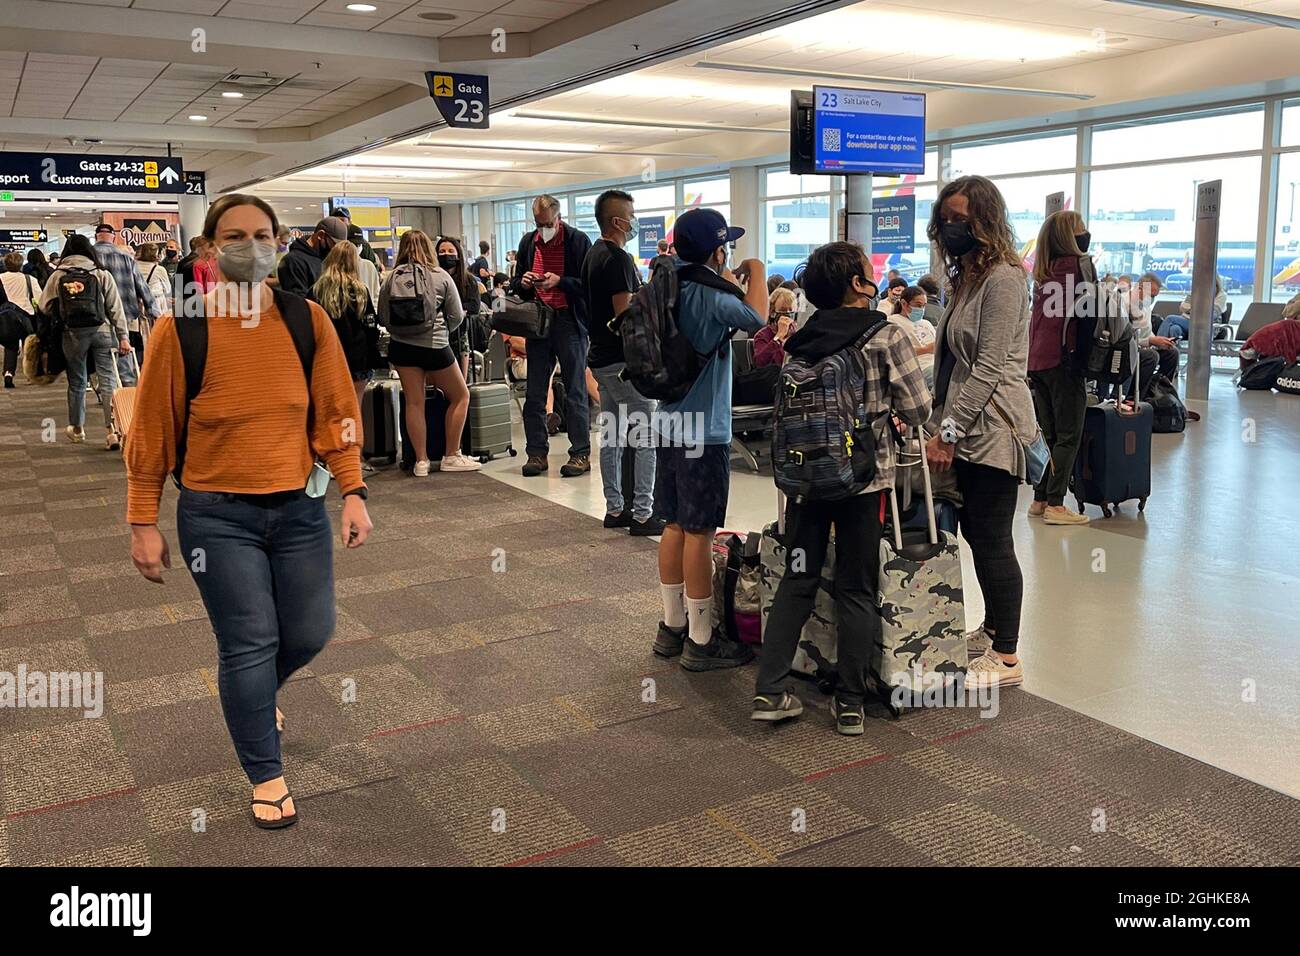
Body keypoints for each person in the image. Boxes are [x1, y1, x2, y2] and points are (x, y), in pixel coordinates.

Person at [126, 193, 372, 830]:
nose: (251, 246)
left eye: (262, 234)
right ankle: (267, 775)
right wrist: (142, 520)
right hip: (216, 516)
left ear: (279, 241)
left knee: (311, 631)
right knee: (249, 642)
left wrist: (352, 490)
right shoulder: (180, 328)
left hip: (298, 509)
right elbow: (152, 430)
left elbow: (336, 411)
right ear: (208, 249)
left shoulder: (304, 319)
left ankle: (254, 694)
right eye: (234, 236)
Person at [752, 242, 930, 732]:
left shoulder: (802, 338)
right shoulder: (884, 334)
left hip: (805, 480)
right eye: (865, 271)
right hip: (862, 481)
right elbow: (918, 412)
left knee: (798, 579)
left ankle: (770, 690)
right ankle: (850, 701)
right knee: (856, 586)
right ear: (857, 284)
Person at [926, 175, 1038, 690]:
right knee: (976, 532)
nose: (951, 227)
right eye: (945, 218)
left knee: (993, 539)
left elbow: (989, 367)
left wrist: (947, 433)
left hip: (994, 428)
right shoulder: (967, 276)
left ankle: (1008, 657)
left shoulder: (1004, 279)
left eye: (961, 219)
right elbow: (952, 363)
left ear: (985, 220)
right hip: (966, 424)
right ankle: (993, 629)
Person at [652, 208, 767, 670]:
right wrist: (756, 271)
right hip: (704, 429)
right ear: (718, 250)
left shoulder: (665, 283)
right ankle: (702, 640)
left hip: (667, 423)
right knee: (701, 530)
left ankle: (672, 627)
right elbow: (758, 316)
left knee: (675, 525)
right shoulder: (707, 293)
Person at [583, 189, 664, 537]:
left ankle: (615, 508)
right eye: (632, 215)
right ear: (618, 221)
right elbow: (623, 316)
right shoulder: (618, 260)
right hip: (623, 361)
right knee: (646, 436)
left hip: (600, 358)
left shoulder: (592, 255)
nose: (635, 220)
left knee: (613, 436)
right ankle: (644, 513)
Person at [379, 229, 480, 476]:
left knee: (414, 402)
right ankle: (451, 455)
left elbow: (383, 315)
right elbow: (456, 315)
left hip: (401, 348)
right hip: (435, 346)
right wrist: (441, 330)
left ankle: (421, 461)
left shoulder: (391, 278)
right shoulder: (440, 275)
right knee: (460, 396)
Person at [509, 194, 593, 478]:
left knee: (575, 390)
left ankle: (580, 453)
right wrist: (523, 282)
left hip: (569, 320)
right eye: (537, 223)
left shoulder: (577, 241)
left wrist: (562, 282)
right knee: (535, 392)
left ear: (558, 218)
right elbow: (517, 285)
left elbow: (589, 284)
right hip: (538, 321)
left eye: (546, 223)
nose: (542, 228)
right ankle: (536, 453)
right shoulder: (528, 242)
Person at [1027, 211, 1093, 527]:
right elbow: (1088, 316)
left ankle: (1040, 499)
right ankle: (1056, 504)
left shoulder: (1044, 271)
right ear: (1071, 236)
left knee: (1049, 435)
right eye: (1081, 229)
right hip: (1064, 360)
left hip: (1036, 360)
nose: (1086, 233)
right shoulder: (1081, 266)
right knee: (1069, 435)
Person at [38, 234, 130, 448]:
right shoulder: (100, 273)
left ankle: (78, 428)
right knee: (108, 382)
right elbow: (116, 307)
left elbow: (43, 306)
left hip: (73, 333)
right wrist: (123, 336)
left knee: (77, 381)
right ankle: (112, 432)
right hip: (103, 330)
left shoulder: (58, 275)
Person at [92, 223, 158, 382]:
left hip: (98, 316)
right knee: (125, 354)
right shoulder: (126, 258)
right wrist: (153, 310)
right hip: (126, 313)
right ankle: (128, 393)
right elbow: (141, 286)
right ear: (113, 237)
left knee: (102, 359)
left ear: (96, 236)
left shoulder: (90, 258)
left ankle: (108, 391)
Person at [313, 240, 374, 411]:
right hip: (357, 360)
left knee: (329, 411)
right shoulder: (360, 291)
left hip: (327, 358)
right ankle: (353, 438)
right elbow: (370, 326)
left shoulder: (317, 291)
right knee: (354, 410)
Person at [1124, 272, 1179, 400]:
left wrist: (1161, 341)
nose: (1152, 299)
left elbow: (1147, 331)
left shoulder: (1145, 305)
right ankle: (1135, 398)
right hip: (1126, 348)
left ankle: (1159, 391)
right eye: (1152, 295)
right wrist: (1150, 341)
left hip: (1143, 345)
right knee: (1151, 356)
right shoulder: (1123, 304)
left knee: (1172, 353)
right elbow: (1124, 338)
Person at [436, 236, 483, 379]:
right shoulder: (433, 278)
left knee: (460, 381)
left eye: (450, 251)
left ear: (458, 254)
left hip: (460, 333)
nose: (446, 254)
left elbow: (474, 306)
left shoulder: (468, 280)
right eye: (442, 251)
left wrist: (453, 309)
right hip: (438, 334)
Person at [277, 217, 346, 298]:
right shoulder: (293, 261)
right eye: (334, 244)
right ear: (320, 235)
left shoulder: (326, 258)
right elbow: (298, 302)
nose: (336, 249)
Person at [1, 252, 41, 388]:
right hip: (26, 316)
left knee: (10, 346)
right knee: (28, 346)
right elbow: (39, 298)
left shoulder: (0, 278)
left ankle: (8, 373)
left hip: (6, 316)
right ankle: (30, 375)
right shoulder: (29, 279)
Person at [889, 285, 937, 389]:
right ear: (904, 304)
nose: (922, 309)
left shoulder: (926, 323)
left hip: (935, 364)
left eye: (924, 306)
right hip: (918, 368)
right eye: (918, 305)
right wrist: (925, 349)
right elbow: (895, 353)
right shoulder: (893, 322)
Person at [752, 287, 797, 368]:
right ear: (772, 312)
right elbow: (759, 362)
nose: (787, 314)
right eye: (783, 310)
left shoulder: (798, 332)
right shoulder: (763, 335)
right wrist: (778, 338)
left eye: (790, 310)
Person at [136, 242, 172, 319]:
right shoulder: (159, 269)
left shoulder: (134, 266)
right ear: (156, 254)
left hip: (139, 303)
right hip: (157, 303)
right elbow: (167, 289)